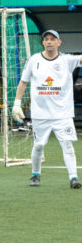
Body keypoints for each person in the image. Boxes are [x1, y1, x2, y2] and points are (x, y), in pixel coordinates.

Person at [12, 30, 82, 189]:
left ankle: (73, 178)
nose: (49, 41)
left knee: (67, 145)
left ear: (59, 42)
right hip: (40, 114)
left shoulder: (67, 60)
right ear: (43, 42)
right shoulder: (34, 60)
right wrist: (17, 103)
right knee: (38, 145)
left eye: (53, 39)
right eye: (46, 39)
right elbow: (23, 82)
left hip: (62, 114)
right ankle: (35, 174)